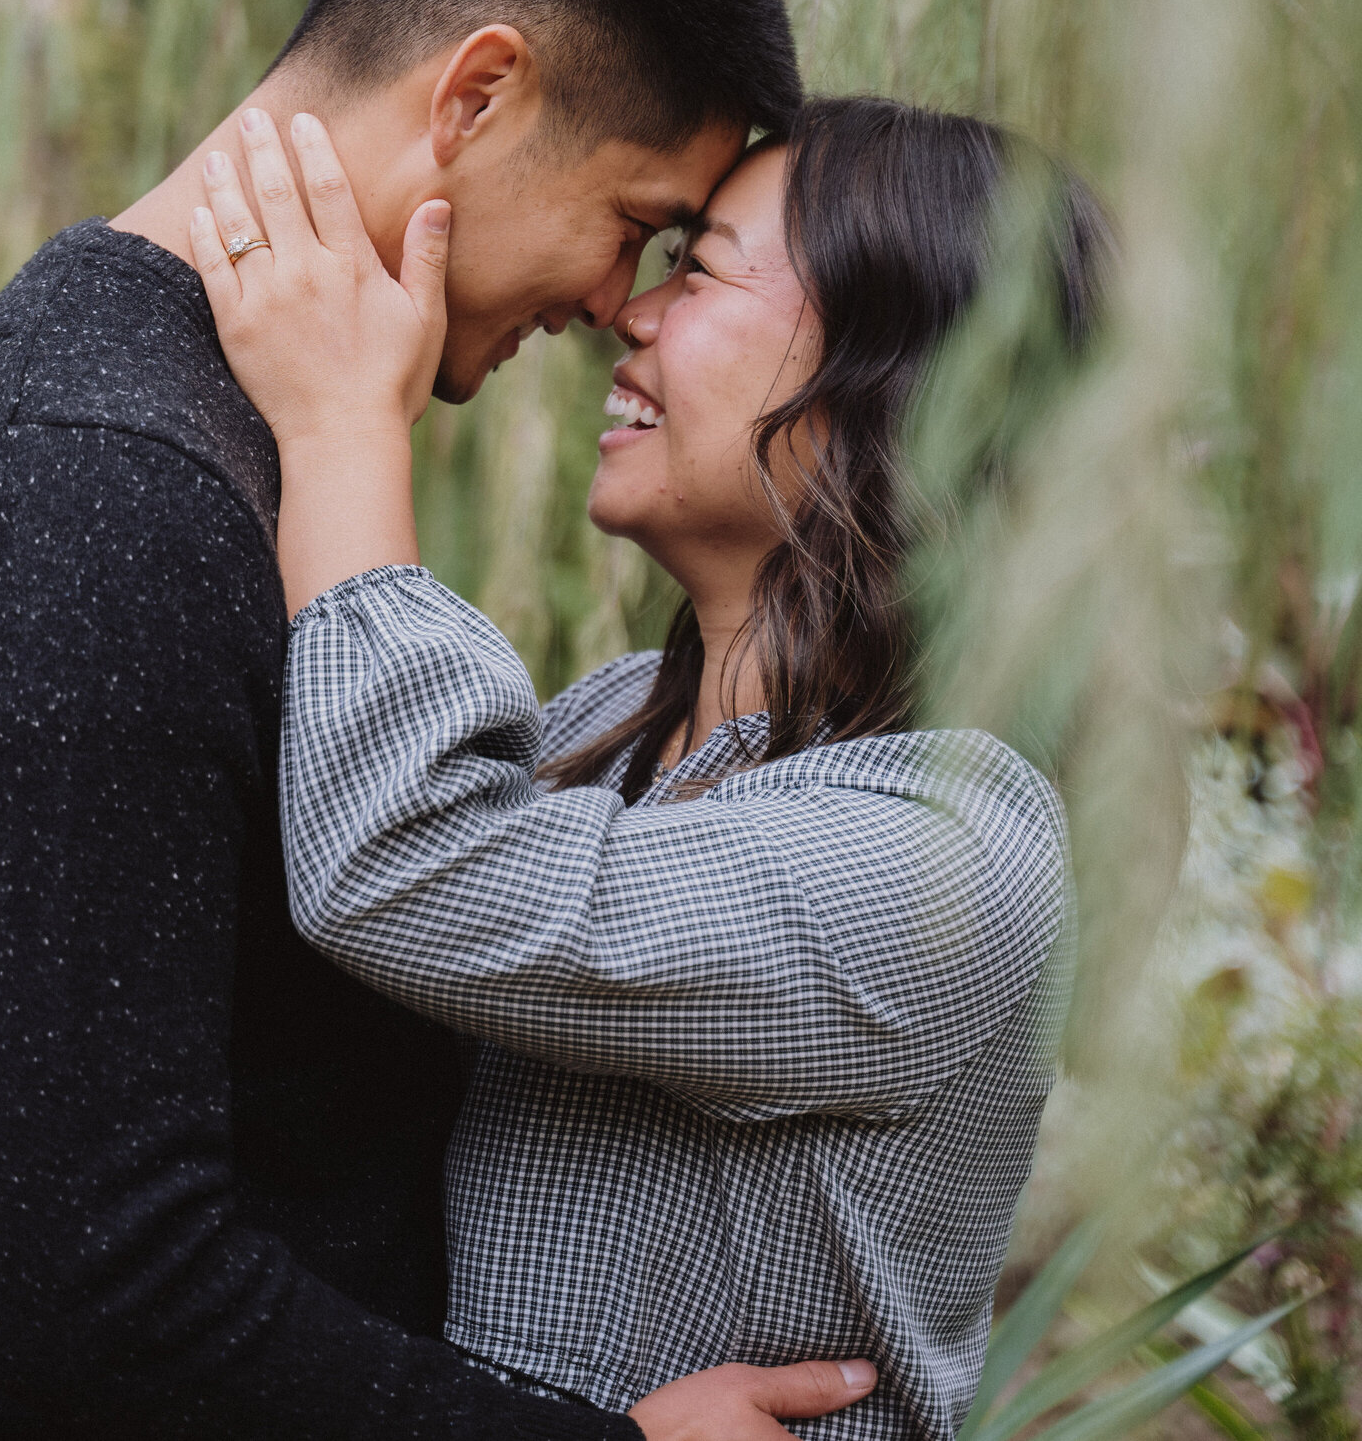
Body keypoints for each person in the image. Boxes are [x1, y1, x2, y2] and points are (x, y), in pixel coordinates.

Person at [0, 0, 880, 1441]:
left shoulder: (168, 437)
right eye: (634, 219)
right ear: (479, 94)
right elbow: (92, 1285)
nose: (611, 307)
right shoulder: (106, 505)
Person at [188, 94, 1104, 1440]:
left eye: (704, 266)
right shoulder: (612, 721)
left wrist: (340, 427)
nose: (632, 311)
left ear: (908, 378)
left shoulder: (954, 852)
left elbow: (410, 866)